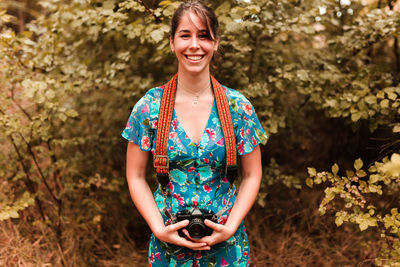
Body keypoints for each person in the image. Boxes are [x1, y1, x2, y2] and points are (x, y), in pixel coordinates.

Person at [122, 1, 268, 265]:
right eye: (185, 35)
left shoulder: (238, 107)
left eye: (203, 35)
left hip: (228, 246)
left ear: (215, 43)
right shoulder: (150, 108)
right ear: (171, 42)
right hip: (168, 248)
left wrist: (232, 225)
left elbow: (253, 173)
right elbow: (134, 176)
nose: (194, 45)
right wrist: (158, 228)